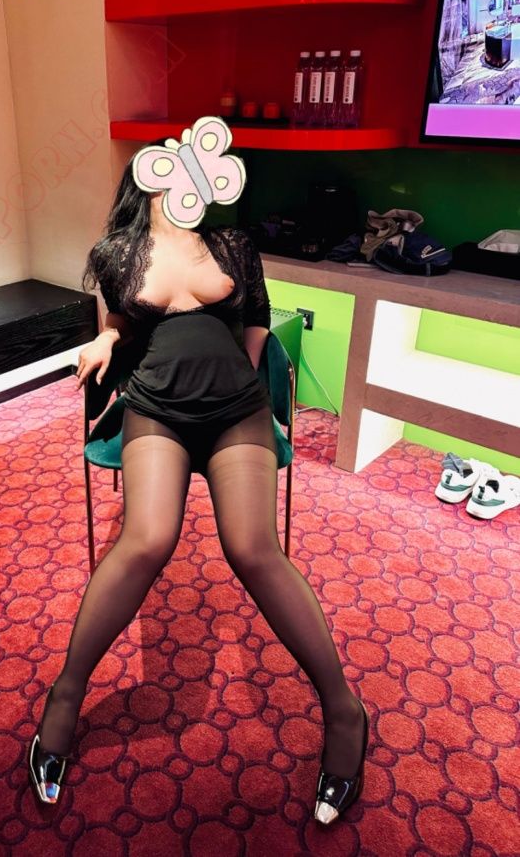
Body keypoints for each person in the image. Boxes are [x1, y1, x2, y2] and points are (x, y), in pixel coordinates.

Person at [28, 156, 368, 825]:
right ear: (147, 180)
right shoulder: (117, 252)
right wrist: (106, 336)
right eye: (169, 164)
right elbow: (122, 319)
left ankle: (343, 709)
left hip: (236, 409)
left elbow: (258, 317)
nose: (185, 174)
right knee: (147, 539)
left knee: (253, 549)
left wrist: (248, 380)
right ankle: (65, 696)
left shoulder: (232, 243)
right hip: (157, 407)